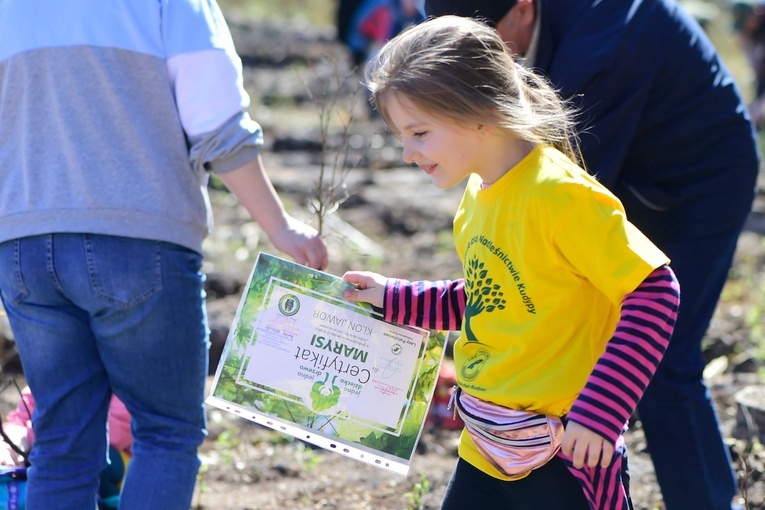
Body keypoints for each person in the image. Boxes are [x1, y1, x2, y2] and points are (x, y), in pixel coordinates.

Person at [421, 1, 761, 508]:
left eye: (482, 41)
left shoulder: (600, 51)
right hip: (632, 170)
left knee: (664, 357)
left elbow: (560, 208)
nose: (472, 62)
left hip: (700, 179)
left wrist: (587, 404)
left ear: (522, 9)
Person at [342, 15, 680, 508]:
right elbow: (490, 296)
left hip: (564, 455)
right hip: (486, 443)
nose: (407, 153)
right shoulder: (478, 194)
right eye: (401, 136)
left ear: (479, 112)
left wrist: (600, 413)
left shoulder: (560, 194)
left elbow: (655, 292)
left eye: (418, 132)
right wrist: (393, 298)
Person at [0, 1, 328, 509]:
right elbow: (217, 121)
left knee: (62, 443)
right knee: (166, 432)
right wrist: (280, 227)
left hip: (21, 243)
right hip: (137, 236)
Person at [0, 388, 132, 509]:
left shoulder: (118, 376)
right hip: (46, 451)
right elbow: (19, 420)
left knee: (93, 462)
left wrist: (32, 437)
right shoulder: (47, 376)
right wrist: (10, 445)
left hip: (119, 460)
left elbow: (115, 431)